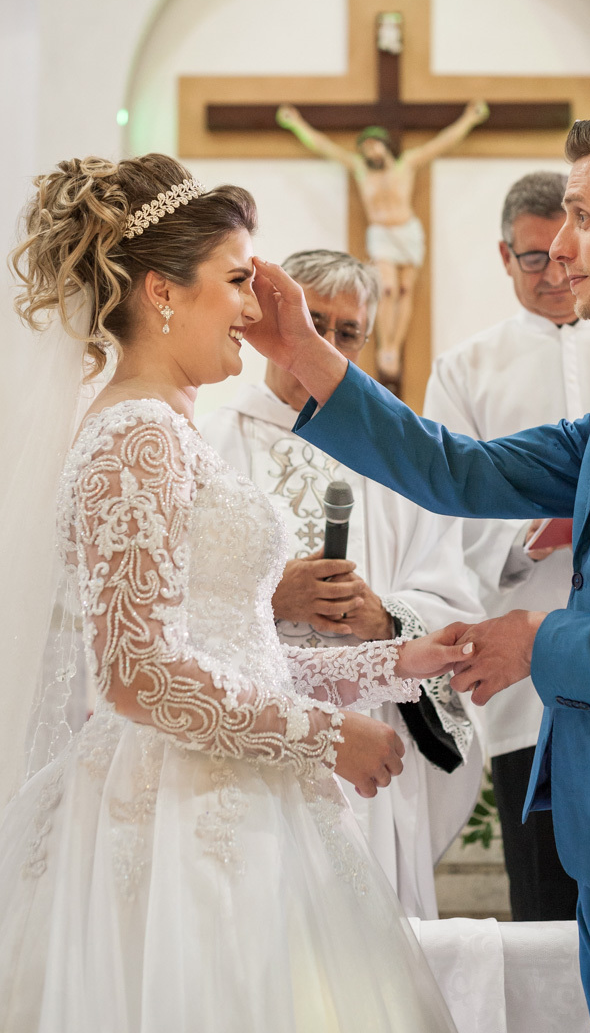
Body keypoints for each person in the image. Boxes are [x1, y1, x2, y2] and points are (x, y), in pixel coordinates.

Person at [251, 110, 590, 1033]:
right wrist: (309, 358)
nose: (563, 244)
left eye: (583, 215)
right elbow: (462, 470)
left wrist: (538, 640)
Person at [0, 153, 473, 1033]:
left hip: (229, 787)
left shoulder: (167, 430)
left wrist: (391, 661)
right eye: (236, 282)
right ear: (161, 291)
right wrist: (326, 736)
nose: (256, 311)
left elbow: (231, 641)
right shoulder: (135, 438)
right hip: (179, 819)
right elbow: (137, 675)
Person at [202, 248, 483, 919]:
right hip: (250, 731)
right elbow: (171, 604)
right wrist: (271, 598)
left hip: (370, 735)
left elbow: (452, 598)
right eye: (314, 321)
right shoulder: (211, 443)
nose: (323, 344)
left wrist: (384, 617)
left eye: (346, 332)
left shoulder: (394, 453)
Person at [424, 171, 590, 921]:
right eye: (533, 258)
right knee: (546, 905)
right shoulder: (467, 370)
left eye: (564, 255)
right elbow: (441, 517)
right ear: (504, 257)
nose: (554, 274)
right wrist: (546, 531)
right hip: (524, 686)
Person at [275, 100, 489, 387]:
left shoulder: (407, 164)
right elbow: (323, 146)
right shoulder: (361, 169)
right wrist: (296, 123)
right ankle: (386, 345)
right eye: (366, 148)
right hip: (381, 235)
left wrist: (468, 120)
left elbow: (441, 143)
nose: (370, 152)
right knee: (386, 289)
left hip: (408, 232)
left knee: (404, 289)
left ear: (385, 145)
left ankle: (395, 347)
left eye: (374, 145)